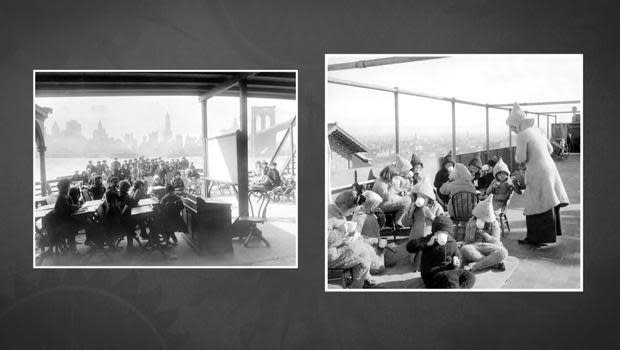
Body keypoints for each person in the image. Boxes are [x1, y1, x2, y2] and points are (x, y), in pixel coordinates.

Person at [506, 103, 569, 245]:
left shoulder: (522, 136)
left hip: (537, 172)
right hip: (550, 169)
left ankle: (535, 238)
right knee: (549, 200)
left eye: (511, 127)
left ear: (517, 124)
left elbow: (520, 159)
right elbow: (551, 149)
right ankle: (550, 234)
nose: (511, 130)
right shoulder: (538, 130)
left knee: (536, 204)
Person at [328, 190, 384, 288]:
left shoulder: (336, 211)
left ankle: (365, 276)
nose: (351, 213)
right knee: (362, 253)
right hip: (329, 254)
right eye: (352, 211)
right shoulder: (329, 217)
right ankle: (356, 285)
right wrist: (342, 234)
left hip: (336, 248)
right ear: (344, 207)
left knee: (364, 246)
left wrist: (351, 236)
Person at [406, 215, 475, 289]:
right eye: (439, 231)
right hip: (433, 273)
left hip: (450, 270)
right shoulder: (428, 240)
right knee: (449, 279)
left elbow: (458, 256)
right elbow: (409, 247)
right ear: (434, 231)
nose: (442, 234)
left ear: (449, 232)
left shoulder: (452, 242)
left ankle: (452, 287)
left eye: (445, 232)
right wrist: (426, 244)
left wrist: (457, 261)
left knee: (470, 276)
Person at [460, 194, 508, 272]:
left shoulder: (494, 224)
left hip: (490, 248)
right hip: (475, 247)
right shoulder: (471, 222)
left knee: (503, 252)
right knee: (465, 249)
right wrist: (472, 231)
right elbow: (468, 241)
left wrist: (484, 234)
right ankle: (493, 263)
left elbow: (496, 242)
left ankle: (476, 266)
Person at [54, 179, 80, 252]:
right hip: (63, 223)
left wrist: (74, 206)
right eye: (68, 186)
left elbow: (69, 206)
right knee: (73, 228)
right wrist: (74, 207)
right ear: (64, 187)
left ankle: (72, 247)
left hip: (66, 220)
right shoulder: (62, 197)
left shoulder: (65, 195)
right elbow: (67, 209)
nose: (69, 187)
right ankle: (73, 250)